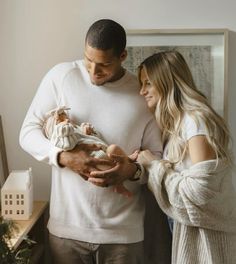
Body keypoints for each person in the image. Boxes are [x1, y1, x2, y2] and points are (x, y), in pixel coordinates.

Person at [19, 19, 169, 264]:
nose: (93, 71)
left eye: (104, 65)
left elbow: (157, 157)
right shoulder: (61, 76)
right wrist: (64, 157)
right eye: (88, 60)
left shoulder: (141, 93)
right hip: (67, 230)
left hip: (124, 236)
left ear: (122, 56)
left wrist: (131, 171)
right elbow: (27, 133)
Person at [137, 50, 236, 263]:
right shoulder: (177, 125)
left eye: (147, 83)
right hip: (184, 228)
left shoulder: (196, 121)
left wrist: (154, 165)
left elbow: (202, 191)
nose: (142, 91)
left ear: (165, 82)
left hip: (205, 237)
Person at [43, 105, 133, 197]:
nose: (67, 120)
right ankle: (119, 185)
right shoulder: (63, 137)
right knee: (111, 173)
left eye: (66, 117)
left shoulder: (76, 130)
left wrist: (88, 131)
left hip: (104, 150)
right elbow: (68, 146)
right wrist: (63, 129)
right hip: (94, 160)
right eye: (62, 120)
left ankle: (126, 161)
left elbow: (96, 139)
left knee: (113, 149)